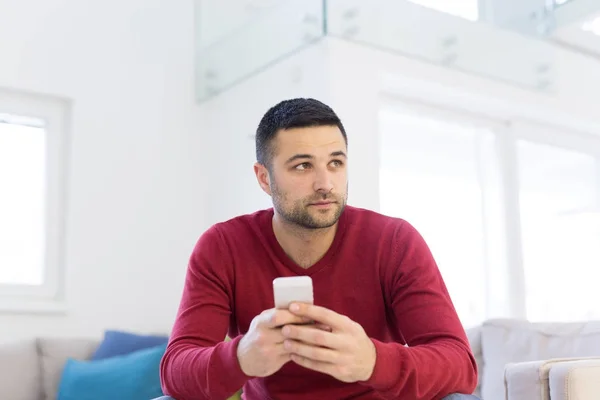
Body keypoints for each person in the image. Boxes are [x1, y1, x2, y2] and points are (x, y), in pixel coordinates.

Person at [157, 98, 479, 400]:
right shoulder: (223, 247)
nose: (325, 183)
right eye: (302, 166)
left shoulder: (395, 241)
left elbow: (460, 364)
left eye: (335, 163)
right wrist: (240, 358)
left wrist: (373, 361)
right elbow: (175, 370)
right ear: (264, 178)